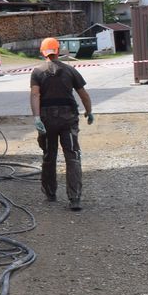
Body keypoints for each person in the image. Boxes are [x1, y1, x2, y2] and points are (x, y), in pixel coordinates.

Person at [30, 36, 94, 210]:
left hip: (47, 120)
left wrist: (36, 118)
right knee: (72, 157)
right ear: (58, 51)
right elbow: (83, 94)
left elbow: (35, 95)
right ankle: (74, 198)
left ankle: (50, 193)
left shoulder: (37, 72)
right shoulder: (70, 70)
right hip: (68, 119)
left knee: (49, 156)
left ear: (42, 52)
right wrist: (89, 112)